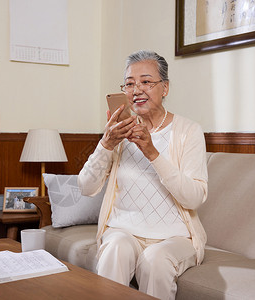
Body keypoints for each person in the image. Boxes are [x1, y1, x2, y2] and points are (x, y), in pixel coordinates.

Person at [78, 50, 208, 300]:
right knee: (115, 248)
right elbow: (85, 186)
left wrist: (152, 152)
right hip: (124, 230)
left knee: (155, 260)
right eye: (129, 83)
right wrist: (105, 143)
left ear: (165, 88)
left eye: (146, 82)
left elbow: (194, 198)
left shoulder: (188, 131)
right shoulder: (118, 132)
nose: (137, 89)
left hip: (175, 236)